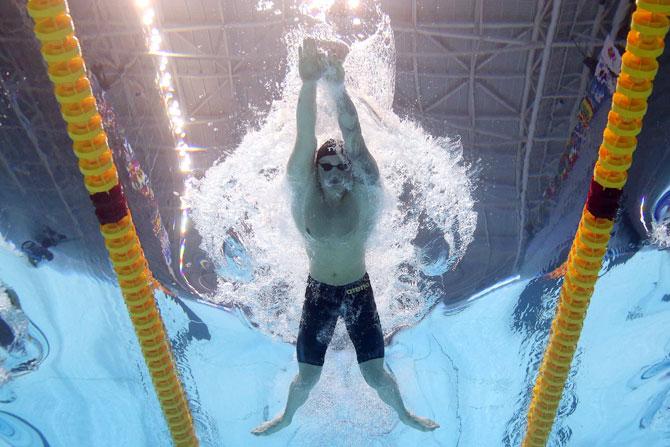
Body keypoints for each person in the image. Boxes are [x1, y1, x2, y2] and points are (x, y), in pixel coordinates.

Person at [252, 38, 439, 435]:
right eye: (326, 167)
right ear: (315, 171)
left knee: (374, 374)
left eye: (341, 166)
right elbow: (305, 137)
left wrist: (337, 89)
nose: (335, 173)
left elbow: (353, 136)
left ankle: (404, 414)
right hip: (318, 292)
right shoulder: (303, 191)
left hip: (358, 290)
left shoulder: (366, 191)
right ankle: (286, 417)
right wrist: (307, 84)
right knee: (307, 378)